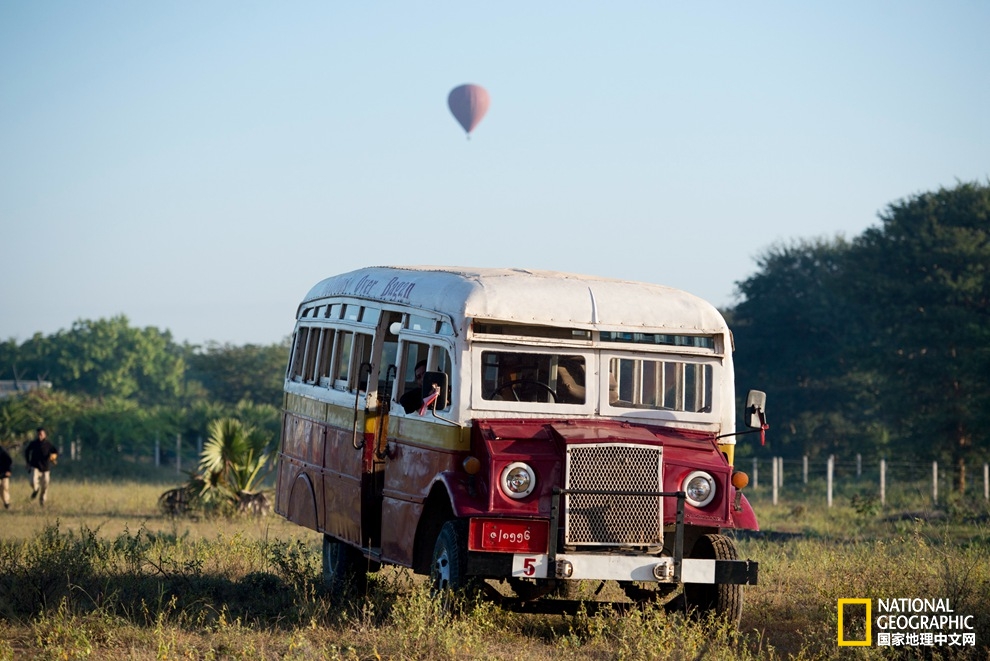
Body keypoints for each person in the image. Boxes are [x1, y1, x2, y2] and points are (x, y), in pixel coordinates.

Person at [24, 427, 58, 507]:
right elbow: (27, 451)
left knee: (45, 486)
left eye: (41, 434)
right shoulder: (34, 443)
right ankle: (36, 490)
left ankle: (42, 501)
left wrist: (53, 458)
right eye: (38, 434)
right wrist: (28, 462)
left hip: (45, 468)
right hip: (35, 466)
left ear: (45, 435)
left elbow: (55, 452)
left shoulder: (48, 444)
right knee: (32, 481)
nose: (40, 436)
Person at [0, 443, 12, 509]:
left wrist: (9, 470)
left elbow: (9, 460)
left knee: (5, 487)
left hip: (4, 472)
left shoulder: (2, 450)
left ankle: (6, 503)